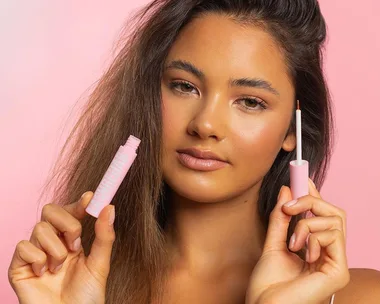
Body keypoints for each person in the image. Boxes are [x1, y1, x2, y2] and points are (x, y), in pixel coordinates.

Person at [7, 0, 380, 303]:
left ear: (293, 129)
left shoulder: (361, 296)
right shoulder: (75, 282)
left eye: (249, 101)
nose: (205, 124)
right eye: (185, 87)